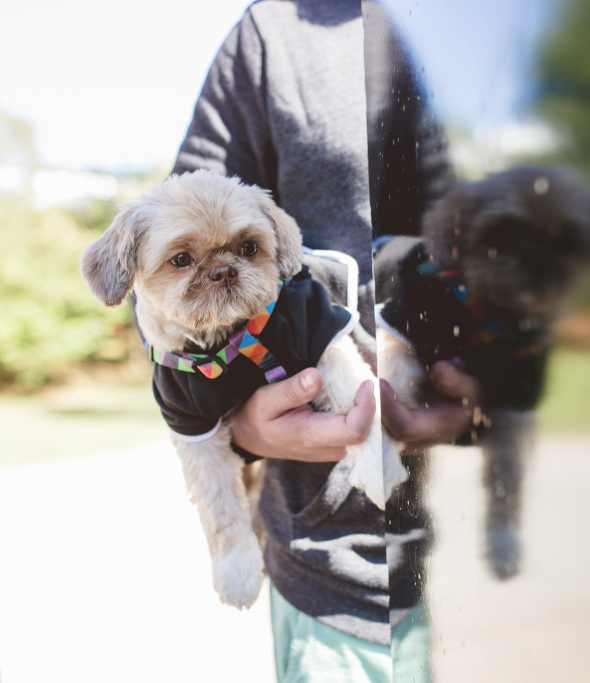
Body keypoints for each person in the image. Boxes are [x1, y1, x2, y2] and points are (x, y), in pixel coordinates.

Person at [169, 1, 479, 679]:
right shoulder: (270, 38)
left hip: (497, 550)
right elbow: (171, 257)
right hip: (339, 563)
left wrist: (477, 404)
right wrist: (240, 421)